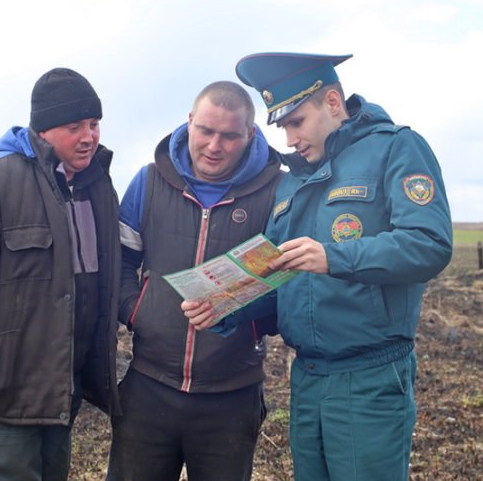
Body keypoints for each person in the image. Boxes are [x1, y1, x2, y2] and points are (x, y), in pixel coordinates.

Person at [183, 52, 453, 481]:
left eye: (296, 122)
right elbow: (277, 271)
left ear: (331, 102)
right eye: (283, 127)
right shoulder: (292, 180)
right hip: (306, 379)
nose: (290, 140)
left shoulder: (396, 148)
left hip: (369, 378)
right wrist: (222, 306)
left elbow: (430, 244)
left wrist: (335, 257)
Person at [0, 67, 122, 481]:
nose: (89, 136)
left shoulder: (96, 189)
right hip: (1, 399)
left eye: (94, 124)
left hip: (59, 396)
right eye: (75, 126)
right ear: (44, 130)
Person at [107, 81, 283, 481]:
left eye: (230, 135)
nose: (214, 146)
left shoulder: (277, 193)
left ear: (250, 134)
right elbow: (117, 262)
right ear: (188, 122)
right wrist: (137, 313)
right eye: (205, 130)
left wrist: (250, 319)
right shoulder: (148, 182)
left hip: (232, 395)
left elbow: (285, 281)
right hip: (150, 385)